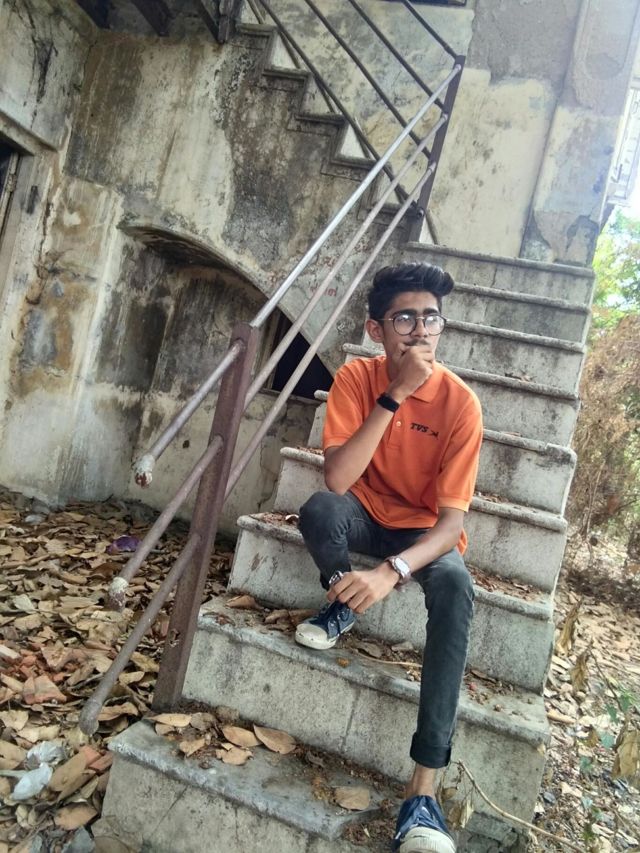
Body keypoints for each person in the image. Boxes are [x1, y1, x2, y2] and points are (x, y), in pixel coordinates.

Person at [295, 263, 483, 853]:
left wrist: (393, 571)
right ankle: (342, 600)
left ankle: (423, 792)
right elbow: (338, 478)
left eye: (431, 318)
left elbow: (451, 525)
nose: (420, 331)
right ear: (376, 330)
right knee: (320, 510)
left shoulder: (460, 404)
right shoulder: (357, 378)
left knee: (454, 587)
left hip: (422, 533)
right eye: (405, 319)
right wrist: (394, 394)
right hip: (364, 511)